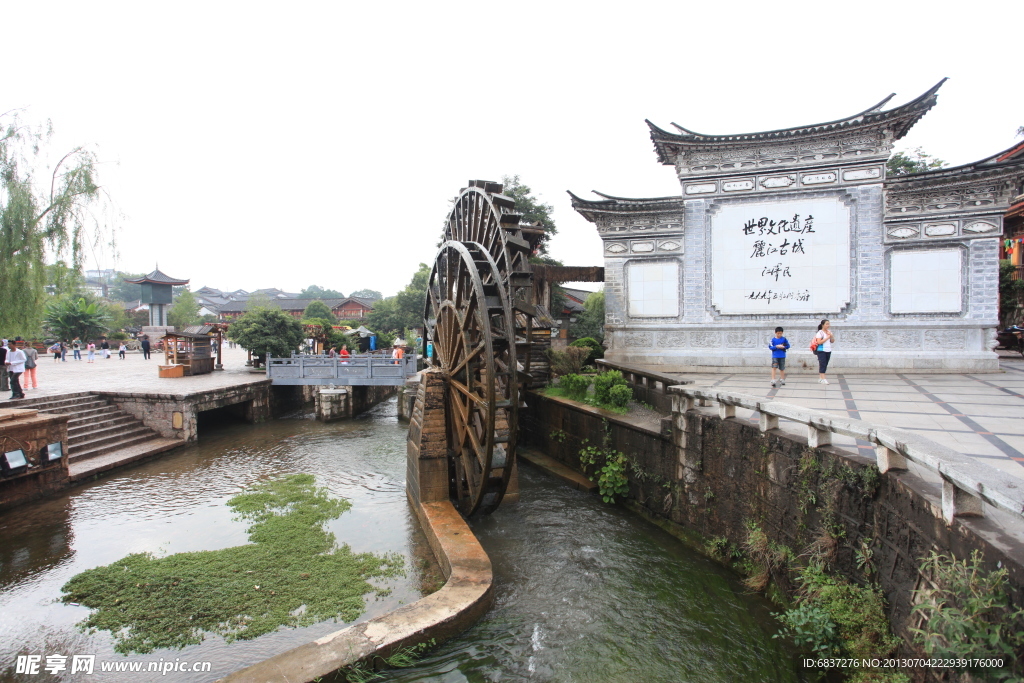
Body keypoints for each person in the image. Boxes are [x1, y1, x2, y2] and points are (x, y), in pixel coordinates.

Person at [813, 319, 835, 385]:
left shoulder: (829, 332)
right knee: (822, 364)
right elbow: (819, 342)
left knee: (825, 364)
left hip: (828, 350)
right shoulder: (820, 333)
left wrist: (831, 336)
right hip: (821, 350)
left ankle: (820, 378)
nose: (828, 325)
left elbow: (832, 341)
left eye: (829, 324)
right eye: (827, 324)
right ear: (823, 325)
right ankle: (823, 378)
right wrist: (827, 337)